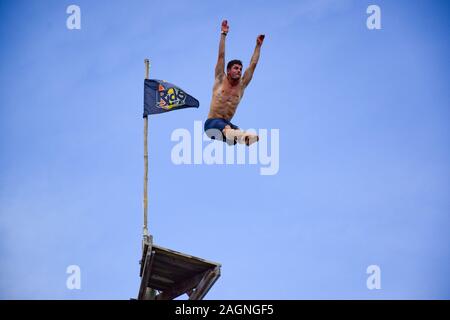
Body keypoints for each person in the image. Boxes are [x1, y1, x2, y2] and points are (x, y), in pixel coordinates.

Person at [204, 20, 265, 146]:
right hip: (211, 125)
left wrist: (258, 46)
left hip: (227, 126)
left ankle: (244, 139)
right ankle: (242, 136)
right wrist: (223, 34)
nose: (239, 71)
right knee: (229, 129)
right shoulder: (220, 78)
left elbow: (253, 65)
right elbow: (221, 56)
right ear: (228, 70)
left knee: (235, 133)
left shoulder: (241, 85)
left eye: (240, 69)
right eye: (236, 68)